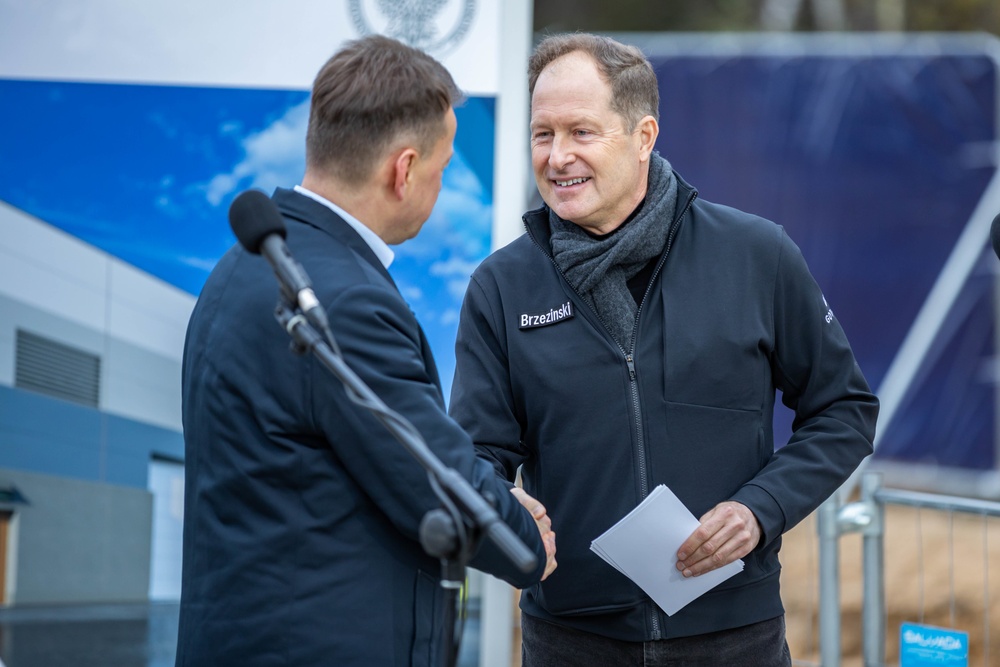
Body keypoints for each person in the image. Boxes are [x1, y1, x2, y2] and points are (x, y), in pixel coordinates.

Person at [449, 33, 879, 666]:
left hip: (736, 636)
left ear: (643, 136)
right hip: (570, 640)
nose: (558, 156)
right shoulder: (501, 286)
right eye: (543, 135)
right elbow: (476, 451)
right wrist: (494, 498)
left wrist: (760, 510)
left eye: (582, 132)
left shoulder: (756, 256)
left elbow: (844, 410)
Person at [175, 34, 556, 667]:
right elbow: (427, 476)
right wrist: (520, 533)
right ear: (403, 171)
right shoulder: (339, 300)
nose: (438, 187)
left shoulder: (239, 270)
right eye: (440, 170)